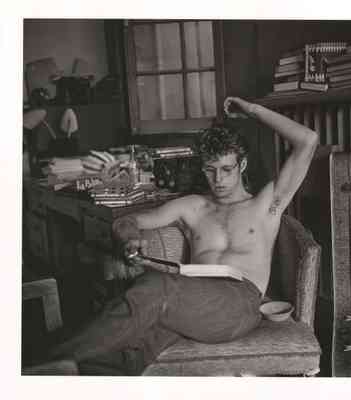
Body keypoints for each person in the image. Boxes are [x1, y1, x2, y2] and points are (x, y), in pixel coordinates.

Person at [46, 97, 318, 374]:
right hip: (191, 298)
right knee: (127, 353)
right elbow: (127, 221)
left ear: (242, 165)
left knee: (157, 287)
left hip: (240, 302)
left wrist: (251, 110)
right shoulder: (192, 207)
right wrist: (129, 240)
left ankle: (48, 363)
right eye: (210, 170)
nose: (219, 180)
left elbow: (307, 140)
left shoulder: (265, 205)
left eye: (227, 169)